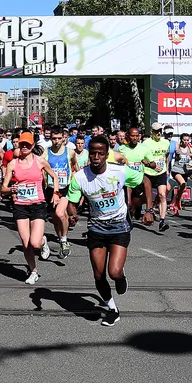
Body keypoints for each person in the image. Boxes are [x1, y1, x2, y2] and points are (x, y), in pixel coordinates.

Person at [66, 135, 143, 327]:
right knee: (99, 275)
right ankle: (112, 309)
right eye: (93, 153)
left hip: (119, 225)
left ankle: (120, 276)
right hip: (96, 227)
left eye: (100, 153)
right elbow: (72, 203)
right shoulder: (80, 177)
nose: (96, 157)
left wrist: (141, 206)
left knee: (113, 272)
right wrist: (72, 214)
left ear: (107, 154)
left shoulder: (120, 171)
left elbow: (142, 182)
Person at [0, 132, 55, 284]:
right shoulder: (13, 164)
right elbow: (3, 188)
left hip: (37, 204)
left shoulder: (40, 161)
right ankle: (33, 271)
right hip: (20, 206)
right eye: (22, 144)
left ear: (32, 145)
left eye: (27, 144)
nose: (24, 147)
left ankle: (43, 241)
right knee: (26, 242)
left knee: (35, 243)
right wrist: (10, 189)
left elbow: (54, 176)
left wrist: (56, 193)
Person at [45, 125, 78, 258]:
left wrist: (77, 178)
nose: (57, 141)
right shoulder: (46, 153)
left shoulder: (70, 152)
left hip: (64, 188)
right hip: (51, 189)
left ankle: (64, 240)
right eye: (54, 138)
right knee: (55, 217)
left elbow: (75, 165)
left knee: (60, 213)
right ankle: (61, 239)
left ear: (63, 138)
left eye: (59, 138)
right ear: (50, 138)